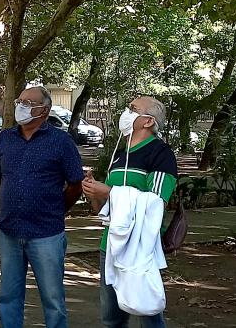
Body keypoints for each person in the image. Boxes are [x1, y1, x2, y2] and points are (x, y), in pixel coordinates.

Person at [0, 86, 84, 328]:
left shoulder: (61, 142)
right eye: (20, 101)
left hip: (46, 233)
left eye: (29, 103)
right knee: (8, 296)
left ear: (45, 111)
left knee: (52, 299)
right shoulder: (6, 138)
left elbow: (75, 185)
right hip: (9, 231)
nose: (21, 106)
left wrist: (56, 210)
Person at [82, 96, 177, 328]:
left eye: (133, 109)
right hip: (111, 246)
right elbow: (105, 210)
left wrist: (110, 191)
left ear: (147, 121)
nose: (127, 112)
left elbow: (155, 204)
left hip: (140, 248)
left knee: (148, 313)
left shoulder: (161, 153)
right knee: (111, 319)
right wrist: (95, 194)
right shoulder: (120, 155)